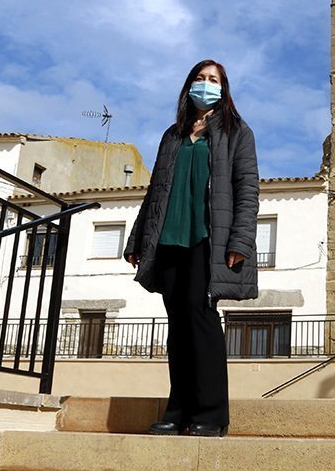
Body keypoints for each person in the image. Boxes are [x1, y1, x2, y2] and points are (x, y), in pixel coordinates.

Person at [124, 59, 259, 437]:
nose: (206, 84)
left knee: (201, 321)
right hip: (169, 240)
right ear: (189, 85)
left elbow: (248, 189)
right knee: (179, 327)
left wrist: (240, 240)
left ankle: (211, 414)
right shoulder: (173, 135)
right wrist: (137, 238)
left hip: (207, 241)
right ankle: (178, 411)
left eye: (213, 79)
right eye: (200, 78)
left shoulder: (237, 132)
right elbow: (156, 191)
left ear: (224, 88)